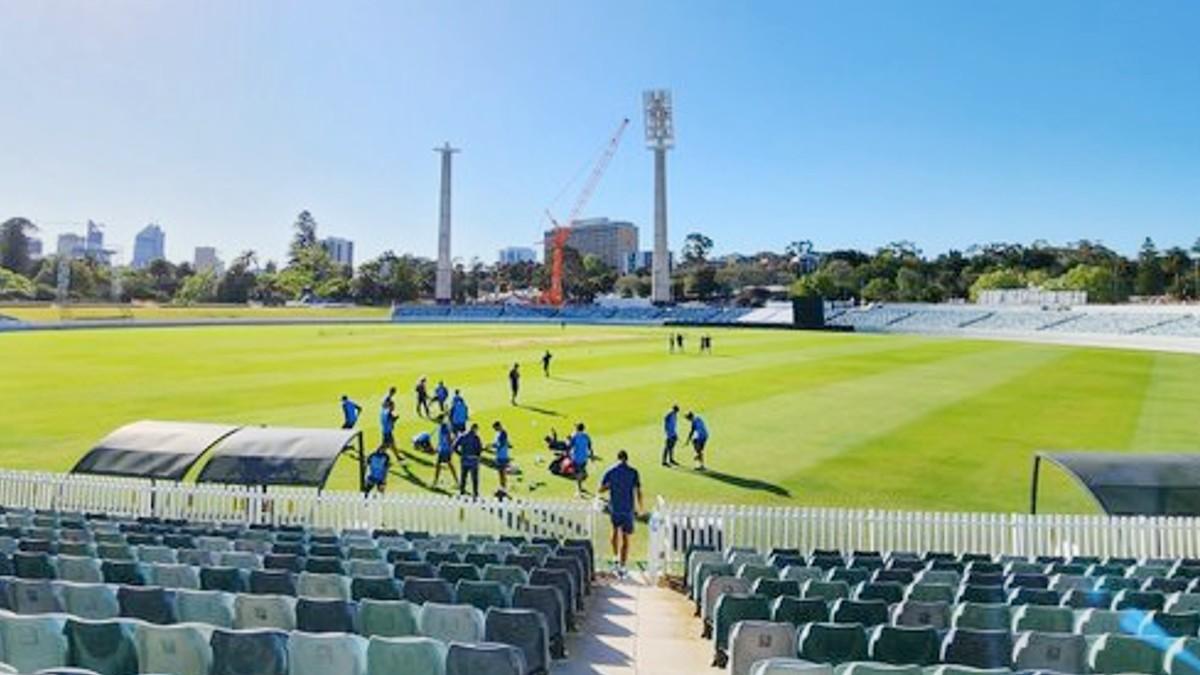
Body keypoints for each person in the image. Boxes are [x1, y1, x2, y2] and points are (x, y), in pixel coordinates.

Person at [600, 449, 643, 577]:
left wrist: (610, 486)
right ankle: (623, 566)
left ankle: (615, 557)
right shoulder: (633, 472)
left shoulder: (611, 471)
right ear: (627, 459)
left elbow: (601, 489)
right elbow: (638, 491)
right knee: (626, 538)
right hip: (628, 508)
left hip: (615, 507)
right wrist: (641, 507)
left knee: (614, 531)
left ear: (618, 458)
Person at [455, 422, 484, 498]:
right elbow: (480, 449)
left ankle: (462, 491)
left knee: (463, 477)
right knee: (474, 478)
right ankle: (475, 493)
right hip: (474, 461)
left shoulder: (462, 436)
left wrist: (460, 454)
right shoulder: (476, 438)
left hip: (464, 459)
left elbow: (454, 447)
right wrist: (478, 456)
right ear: (475, 429)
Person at [433, 419, 458, 489]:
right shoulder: (443, 427)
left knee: (439, 465)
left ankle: (435, 482)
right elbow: (442, 440)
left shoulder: (444, 428)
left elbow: (449, 439)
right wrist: (438, 448)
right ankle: (457, 482)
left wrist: (450, 449)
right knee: (447, 465)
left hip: (445, 450)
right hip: (444, 450)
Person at [569, 422, 592, 496]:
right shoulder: (586, 436)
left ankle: (579, 490)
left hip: (576, 458)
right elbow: (589, 446)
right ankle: (581, 486)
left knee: (577, 474)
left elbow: (570, 446)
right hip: (584, 457)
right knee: (581, 471)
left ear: (577, 428)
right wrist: (591, 455)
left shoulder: (574, 436)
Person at [492, 420, 512, 498]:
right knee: (500, 473)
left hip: (502, 456)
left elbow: (501, 444)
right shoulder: (500, 433)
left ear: (498, 426)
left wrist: (494, 446)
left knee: (502, 473)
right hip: (500, 455)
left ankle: (504, 488)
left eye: (495, 428)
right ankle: (502, 487)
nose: (495, 430)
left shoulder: (503, 433)